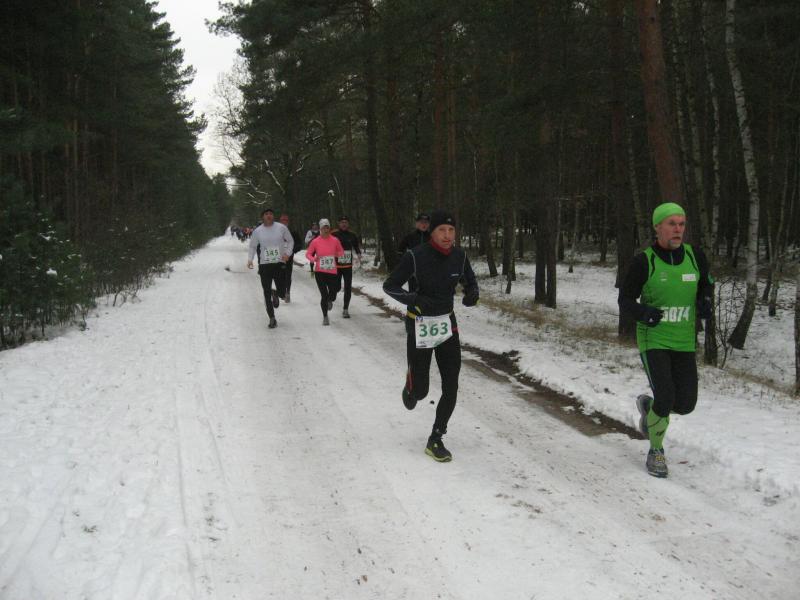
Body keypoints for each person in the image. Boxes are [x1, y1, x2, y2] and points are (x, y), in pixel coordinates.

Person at [618, 202, 713, 478]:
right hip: (654, 338)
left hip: (683, 340)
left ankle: (650, 409)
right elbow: (625, 299)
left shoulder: (695, 256)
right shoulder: (644, 261)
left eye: (681, 224)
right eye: (671, 224)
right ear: (657, 227)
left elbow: (705, 284)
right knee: (666, 395)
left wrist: (705, 301)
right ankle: (656, 451)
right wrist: (643, 313)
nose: (677, 229)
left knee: (685, 404)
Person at [383, 210, 479, 462]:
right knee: (421, 392)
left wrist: (472, 293)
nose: (447, 236)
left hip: (447, 325)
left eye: (451, 230)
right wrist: (414, 299)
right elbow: (390, 286)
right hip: (420, 325)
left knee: (451, 385)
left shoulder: (459, 256)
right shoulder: (416, 256)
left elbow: (470, 281)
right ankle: (412, 385)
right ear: (432, 232)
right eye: (441, 230)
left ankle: (436, 437)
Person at [247, 208, 294, 329]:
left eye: (271, 214)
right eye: (266, 214)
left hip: (279, 263)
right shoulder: (258, 231)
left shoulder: (281, 228)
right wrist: (250, 259)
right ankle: (272, 318)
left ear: (273, 216)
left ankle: (276, 293)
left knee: (283, 293)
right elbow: (252, 246)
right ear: (262, 217)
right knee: (266, 292)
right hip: (265, 264)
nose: (269, 216)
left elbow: (290, 241)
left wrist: (287, 254)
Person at [306, 219, 344, 326]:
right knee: (324, 295)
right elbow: (308, 254)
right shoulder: (315, 241)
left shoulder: (335, 240)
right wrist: (314, 259)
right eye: (323, 228)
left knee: (333, 293)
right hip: (320, 272)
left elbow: (341, 252)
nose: (325, 230)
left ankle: (330, 300)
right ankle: (325, 317)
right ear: (320, 229)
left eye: (327, 227)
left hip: (332, 271)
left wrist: (336, 255)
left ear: (329, 228)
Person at [332, 216, 363, 319]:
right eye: (342, 222)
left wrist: (359, 254)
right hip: (337, 266)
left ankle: (345, 309)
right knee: (336, 287)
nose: (344, 224)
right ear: (339, 223)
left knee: (348, 287)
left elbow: (356, 246)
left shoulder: (352, 235)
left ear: (348, 224)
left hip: (348, 266)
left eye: (345, 222)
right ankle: (331, 297)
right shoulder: (334, 234)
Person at [279, 213, 303, 303]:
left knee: (288, 275)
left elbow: (299, 244)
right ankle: (282, 292)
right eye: (282, 221)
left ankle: (287, 292)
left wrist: (292, 250)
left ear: (288, 223)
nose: (284, 222)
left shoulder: (293, 233)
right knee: (280, 276)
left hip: (288, 257)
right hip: (278, 258)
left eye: (286, 221)